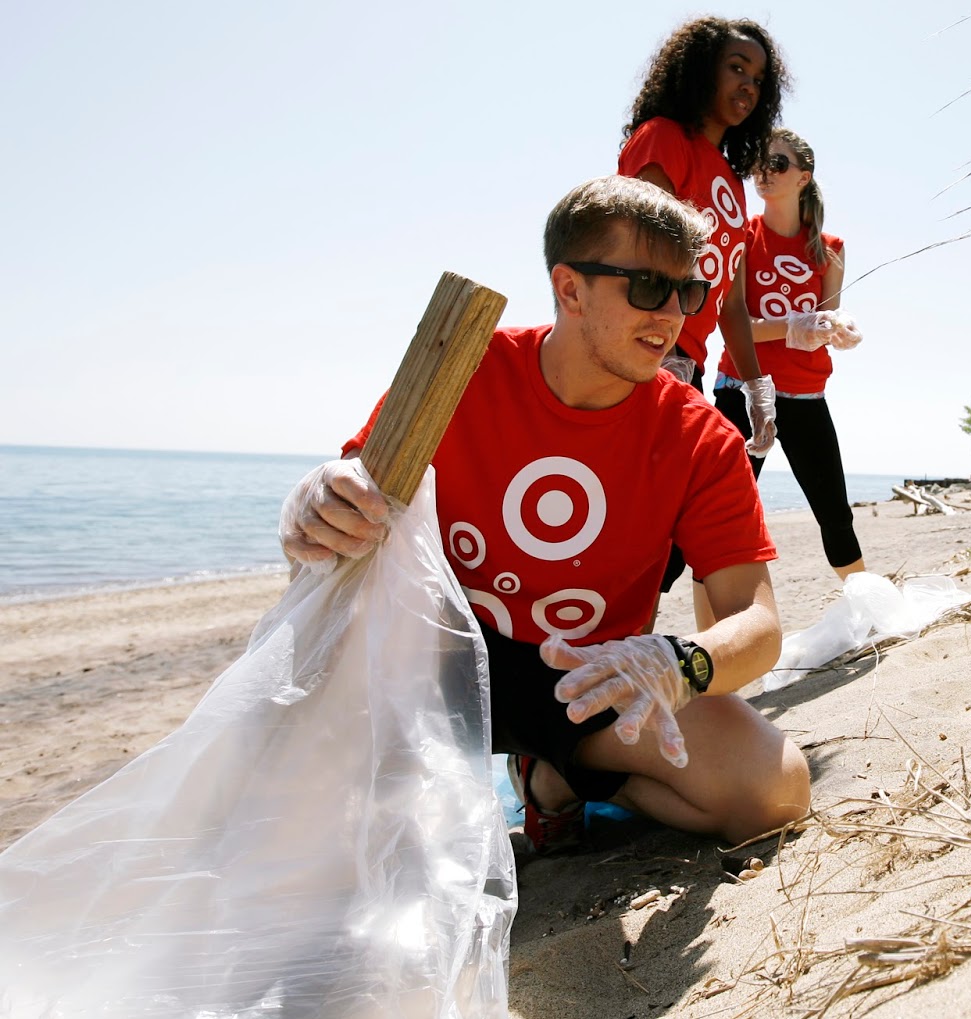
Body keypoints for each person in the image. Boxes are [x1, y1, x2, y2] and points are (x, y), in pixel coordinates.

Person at [280, 176, 811, 851]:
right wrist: (313, 501)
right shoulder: (465, 368)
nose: (673, 315)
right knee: (319, 834)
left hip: (587, 678)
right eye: (648, 288)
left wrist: (680, 662)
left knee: (776, 790)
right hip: (434, 657)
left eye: (688, 292)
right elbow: (352, 512)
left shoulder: (700, 439)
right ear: (569, 288)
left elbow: (757, 624)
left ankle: (555, 776)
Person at [617, 16, 789, 623]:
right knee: (637, 534)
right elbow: (638, 257)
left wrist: (757, 387)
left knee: (665, 539)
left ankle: (658, 670)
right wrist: (654, 367)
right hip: (641, 360)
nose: (748, 85)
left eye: (759, 77)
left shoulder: (733, 188)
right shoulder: (661, 139)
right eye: (736, 68)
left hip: (687, 372)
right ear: (699, 70)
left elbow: (733, 304)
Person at [712, 128, 867, 580]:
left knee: (836, 515)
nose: (764, 173)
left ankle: (868, 612)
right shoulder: (740, 237)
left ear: (804, 177)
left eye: (777, 164)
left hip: (806, 396)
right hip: (742, 390)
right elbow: (734, 327)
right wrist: (796, 325)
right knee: (719, 517)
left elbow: (825, 322)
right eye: (759, 163)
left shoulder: (831, 250)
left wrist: (837, 330)